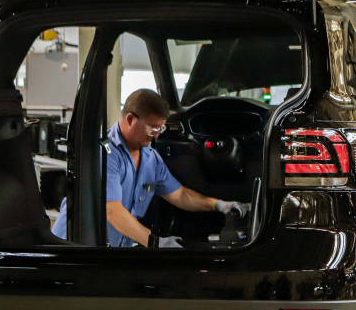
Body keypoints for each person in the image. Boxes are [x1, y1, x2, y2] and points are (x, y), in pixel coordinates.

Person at [51, 88, 247, 247]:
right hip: (73, 248)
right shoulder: (105, 153)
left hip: (110, 252)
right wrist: (157, 243)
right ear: (130, 119)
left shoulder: (150, 158)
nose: (157, 136)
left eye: (160, 129)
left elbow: (180, 195)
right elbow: (112, 211)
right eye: (152, 128)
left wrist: (219, 204)